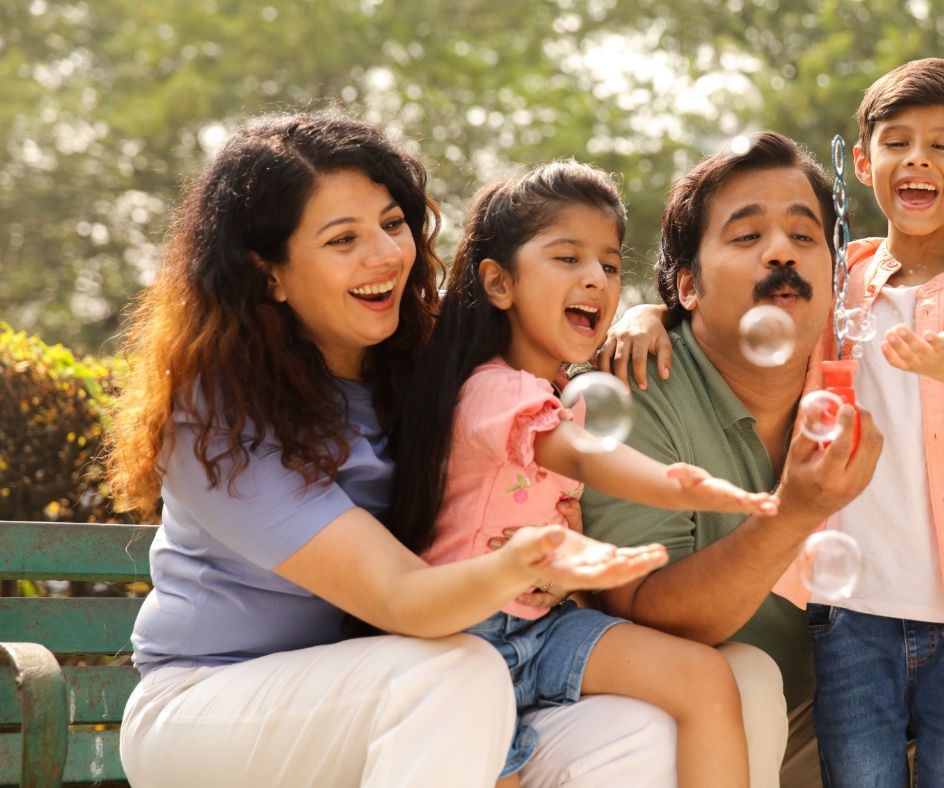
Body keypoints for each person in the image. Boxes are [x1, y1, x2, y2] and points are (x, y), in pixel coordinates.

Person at [107, 113, 679, 788]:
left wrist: (650, 313)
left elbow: (555, 315)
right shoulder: (214, 412)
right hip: (211, 706)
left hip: (394, 682)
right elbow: (400, 596)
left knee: (636, 733)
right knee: (453, 675)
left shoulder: (425, 353)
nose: (384, 255)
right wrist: (519, 563)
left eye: (391, 223)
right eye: (342, 239)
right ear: (270, 274)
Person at [589, 129, 944, 788]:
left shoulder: (869, 377)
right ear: (688, 287)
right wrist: (795, 513)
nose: (782, 251)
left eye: (806, 238)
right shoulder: (643, 387)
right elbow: (639, 609)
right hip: (703, 731)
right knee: (746, 680)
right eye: (747, 237)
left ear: (841, 279)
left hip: (841, 713)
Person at [389, 160, 779, 787]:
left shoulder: (570, 387)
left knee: (706, 678)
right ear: (498, 283)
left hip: (545, 627)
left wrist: (650, 313)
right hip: (464, 646)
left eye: (608, 262)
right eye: (567, 258)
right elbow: (579, 453)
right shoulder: (492, 392)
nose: (596, 279)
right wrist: (682, 483)